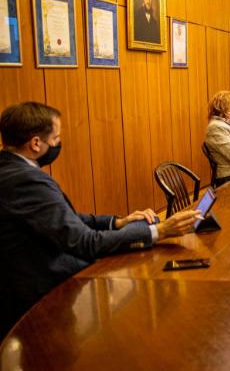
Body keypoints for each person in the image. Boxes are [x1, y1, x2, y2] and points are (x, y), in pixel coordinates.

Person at [0, 102, 199, 337]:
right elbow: (85, 243)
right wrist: (159, 231)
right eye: (56, 138)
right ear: (35, 143)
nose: (58, 144)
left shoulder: (9, 169)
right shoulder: (26, 181)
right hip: (42, 300)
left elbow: (64, 219)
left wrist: (116, 222)